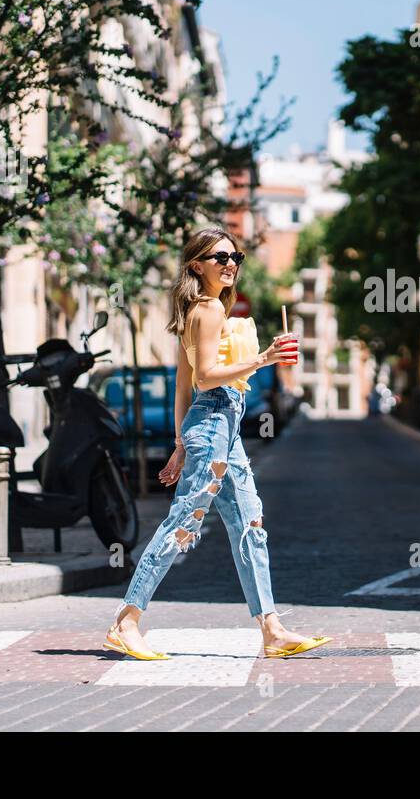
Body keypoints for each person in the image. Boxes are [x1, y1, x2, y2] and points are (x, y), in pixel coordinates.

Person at [103, 227, 333, 662]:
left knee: (251, 526)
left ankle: (273, 630)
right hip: (213, 426)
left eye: (236, 257)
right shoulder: (206, 311)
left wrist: (178, 443)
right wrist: (264, 358)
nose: (231, 264)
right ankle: (126, 622)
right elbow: (206, 377)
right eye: (220, 257)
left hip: (218, 430)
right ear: (196, 265)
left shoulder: (203, 310)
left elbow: (181, 386)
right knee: (183, 525)